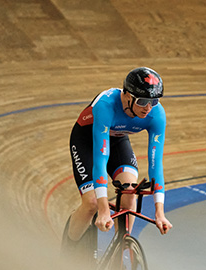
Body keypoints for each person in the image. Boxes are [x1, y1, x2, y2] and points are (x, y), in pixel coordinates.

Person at [64, 67, 173, 248]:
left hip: (117, 139)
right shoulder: (106, 105)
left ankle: (122, 258)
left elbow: (156, 164)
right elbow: (100, 160)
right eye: (143, 101)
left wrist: (159, 213)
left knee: (130, 194)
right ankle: (68, 252)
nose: (148, 107)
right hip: (87, 140)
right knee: (92, 203)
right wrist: (104, 210)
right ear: (127, 96)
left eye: (154, 101)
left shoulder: (156, 114)